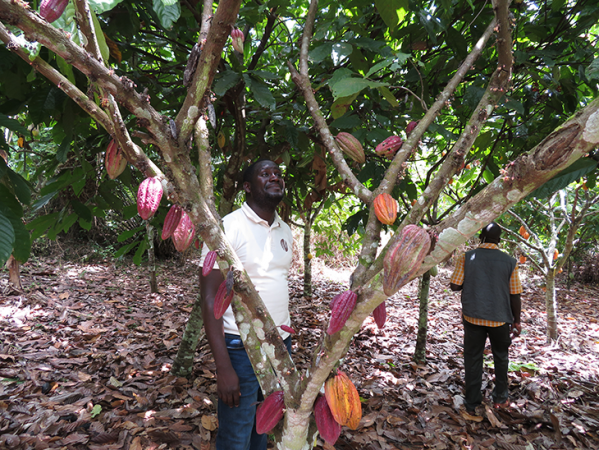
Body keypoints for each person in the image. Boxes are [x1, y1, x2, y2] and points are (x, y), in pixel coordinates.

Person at [199, 159, 293, 450]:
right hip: (241, 347)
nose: (275, 177)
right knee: (236, 435)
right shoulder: (229, 226)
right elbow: (209, 295)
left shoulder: (284, 229)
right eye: (265, 174)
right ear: (248, 187)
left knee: (263, 430)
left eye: (277, 174)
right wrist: (223, 367)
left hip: (280, 345)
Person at [449, 222, 522, 414]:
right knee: (501, 356)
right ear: (498, 240)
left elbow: (455, 286)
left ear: (480, 238)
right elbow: (515, 294)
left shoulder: (467, 257)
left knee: (473, 358)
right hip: (500, 318)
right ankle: (500, 398)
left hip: (473, 316)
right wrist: (517, 320)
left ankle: (472, 402)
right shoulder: (509, 261)